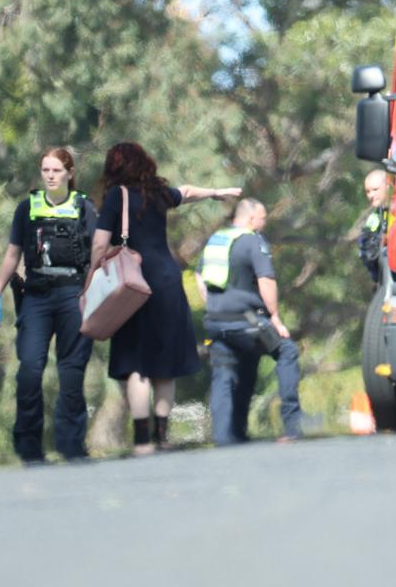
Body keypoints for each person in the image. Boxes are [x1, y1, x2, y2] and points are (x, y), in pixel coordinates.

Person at [90, 142, 240, 455]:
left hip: (133, 285)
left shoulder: (117, 196)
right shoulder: (156, 193)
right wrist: (216, 191)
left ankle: (142, 440)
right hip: (168, 282)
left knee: (137, 364)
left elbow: (99, 245)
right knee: (164, 365)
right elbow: (185, 192)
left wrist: (92, 278)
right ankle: (162, 436)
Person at [0, 147, 97, 463]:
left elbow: (98, 254)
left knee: (72, 373)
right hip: (36, 293)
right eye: (46, 170)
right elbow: (13, 254)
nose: (50, 176)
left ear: (70, 173)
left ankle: (72, 446)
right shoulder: (27, 208)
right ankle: (28, 447)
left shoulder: (84, 207)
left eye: (57, 171)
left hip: (73, 294)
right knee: (30, 370)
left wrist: (92, 294)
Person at [195, 199, 303, 446]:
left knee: (227, 371)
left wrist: (213, 303)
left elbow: (200, 276)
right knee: (287, 350)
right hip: (248, 322)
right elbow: (266, 280)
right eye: (263, 218)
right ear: (252, 218)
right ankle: (292, 427)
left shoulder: (217, 240)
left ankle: (227, 436)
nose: (264, 223)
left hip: (216, 322)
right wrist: (275, 317)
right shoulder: (254, 241)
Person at [359, 169, 391, 284]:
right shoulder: (375, 217)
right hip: (383, 279)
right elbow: (365, 249)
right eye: (368, 191)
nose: (371, 195)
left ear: (388, 185)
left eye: (375, 189)